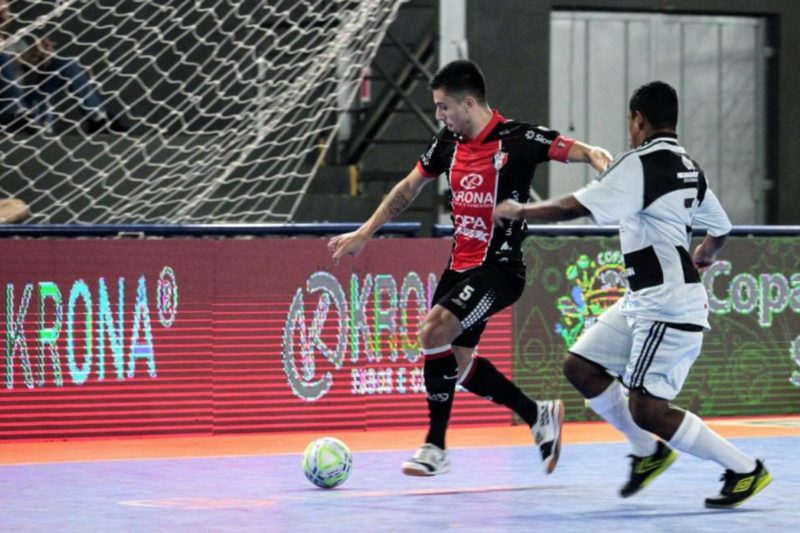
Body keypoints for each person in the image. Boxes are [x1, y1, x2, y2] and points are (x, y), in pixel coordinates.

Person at [494, 81, 771, 509]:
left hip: (667, 306)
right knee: (581, 367)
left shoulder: (640, 163)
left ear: (637, 120)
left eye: (630, 121)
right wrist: (705, 254)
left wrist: (519, 211)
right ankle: (648, 453)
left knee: (648, 407)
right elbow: (721, 228)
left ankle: (744, 468)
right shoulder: (690, 168)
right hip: (643, 300)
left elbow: (575, 207)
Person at [328, 59, 612, 476]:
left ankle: (435, 446)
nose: (440, 116)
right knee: (458, 366)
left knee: (432, 330)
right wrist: (366, 232)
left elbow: (588, 152)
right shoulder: (447, 142)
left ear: (468, 102)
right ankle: (537, 415)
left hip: (500, 269)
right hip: (459, 268)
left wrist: (607, 171)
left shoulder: (520, 138)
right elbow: (409, 187)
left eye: (444, 107)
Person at [0, 0, 126, 134]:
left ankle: (98, 119)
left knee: (65, 63)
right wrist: (25, 56)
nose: (2, 13)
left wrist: (42, 57)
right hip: (4, 112)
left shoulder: (16, 42)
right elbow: (9, 62)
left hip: (27, 113)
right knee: (2, 58)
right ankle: (18, 113)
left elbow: (28, 67)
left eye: (5, 9)